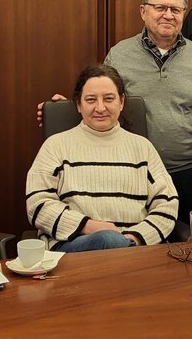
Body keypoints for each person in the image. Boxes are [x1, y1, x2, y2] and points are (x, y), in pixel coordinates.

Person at [104, 0, 192, 222]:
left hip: (189, 174)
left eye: (176, 10)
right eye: (160, 8)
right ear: (143, 11)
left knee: (184, 246)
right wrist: (70, 104)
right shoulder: (119, 55)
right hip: (132, 171)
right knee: (136, 245)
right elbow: (102, 104)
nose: (168, 15)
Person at [26, 65, 178, 252]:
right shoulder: (56, 145)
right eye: (91, 100)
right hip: (74, 245)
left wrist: (134, 238)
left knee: (114, 242)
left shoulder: (143, 147)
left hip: (134, 248)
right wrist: (88, 226)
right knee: (107, 240)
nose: (100, 108)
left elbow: (167, 204)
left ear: (121, 102)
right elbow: (37, 204)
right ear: (78, 105)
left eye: (109, 99)